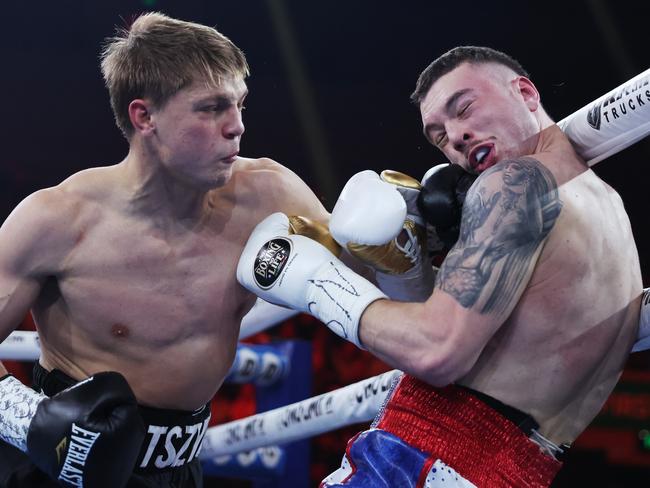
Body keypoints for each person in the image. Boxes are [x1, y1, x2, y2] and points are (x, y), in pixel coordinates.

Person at [237, 46, 643, 487]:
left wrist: (314, 280)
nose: (457, 137)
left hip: (425, 457)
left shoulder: (514, 183)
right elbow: (490, 340)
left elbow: (438, 350)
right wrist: (406, 270)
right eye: (439, 137)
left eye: (464, 107)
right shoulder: (610, 209)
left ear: (525, 92)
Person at [0, 12, 328, 488]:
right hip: (62, 468)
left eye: (239, 104)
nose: (236, 126)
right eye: (212, 107)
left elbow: (373, 277)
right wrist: (28, 419)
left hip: (181, 471)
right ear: (144, 116)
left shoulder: (268, 193)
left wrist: (414, 229)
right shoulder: (58, 219)